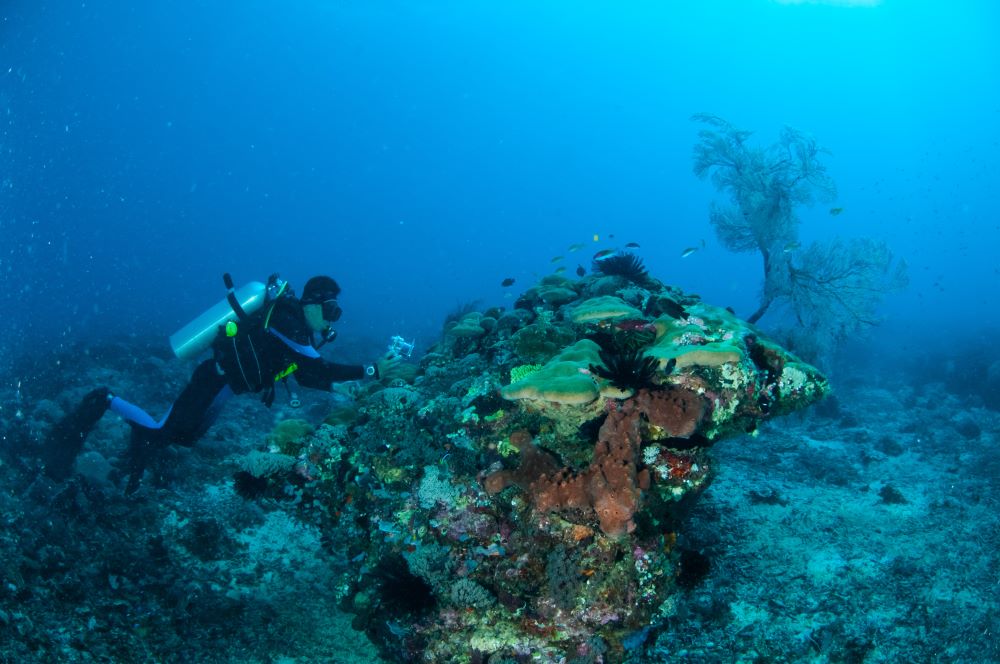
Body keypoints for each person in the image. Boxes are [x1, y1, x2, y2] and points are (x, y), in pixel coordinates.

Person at [41, 274, 399, 494]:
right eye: (331, 310)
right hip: (214, 379)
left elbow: (305, 375)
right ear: (313, 303)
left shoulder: (297, 329)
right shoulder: (288, 321)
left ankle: (139, 445)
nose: (333, 319)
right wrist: (371, 371)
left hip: (226, 387)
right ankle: (106, 399)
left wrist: (339, 387)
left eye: (337, 313)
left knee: (184, 437)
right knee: (166, 433)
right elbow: (318, 369)